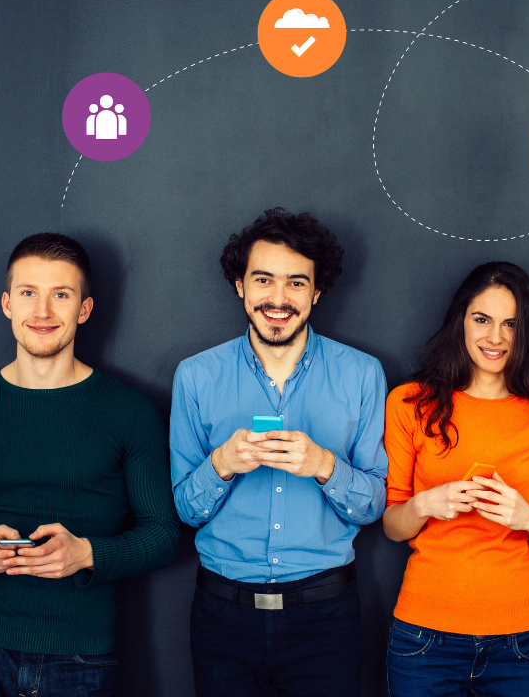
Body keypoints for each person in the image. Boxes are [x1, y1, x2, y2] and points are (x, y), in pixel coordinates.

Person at [0, 232, 180, 696]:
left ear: (84, 310)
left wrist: (86, 554)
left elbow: (163, 534)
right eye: (29, 293)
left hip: (80, 654)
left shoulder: (129, 412)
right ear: (8, 304)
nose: (44, 312)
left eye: (61, 295)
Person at [170, 208, 387, 697]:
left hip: (326, 616)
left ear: (316, 291)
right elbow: (185, 509)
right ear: (240, 285)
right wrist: (221, 465)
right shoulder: (196, 376)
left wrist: (325, 466)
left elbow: (375, 505)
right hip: (222, 614)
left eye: (296, 283)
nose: (278, 298)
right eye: (263, 280)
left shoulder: (362, 374)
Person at [382, 261, 529, 697]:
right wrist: (424, 505)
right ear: (461, 321)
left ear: (526, 331)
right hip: (423, 639)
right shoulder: (408, 403)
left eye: (510, 324)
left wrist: (527, 517)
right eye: (482, 319)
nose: (495, 337)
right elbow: (392, 527)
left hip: (520, 642)